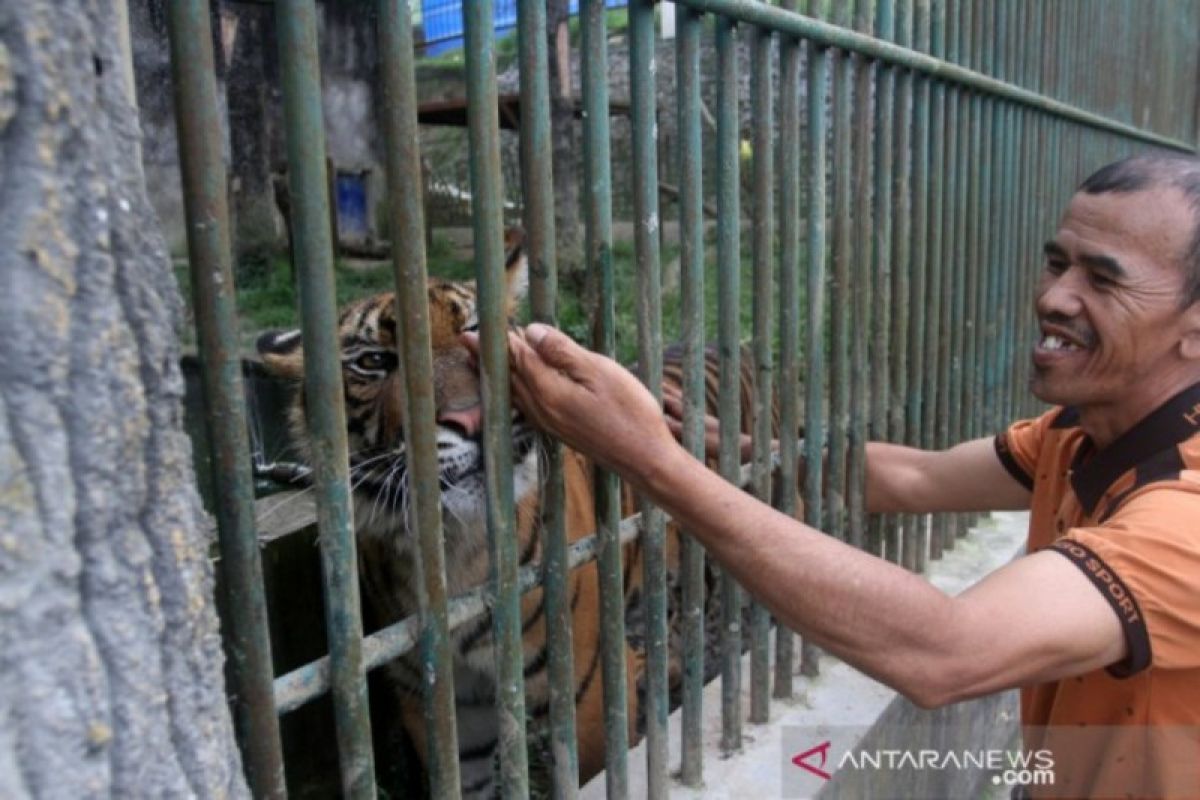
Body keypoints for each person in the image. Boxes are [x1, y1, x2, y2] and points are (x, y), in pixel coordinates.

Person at [463, 154, 1200, 797]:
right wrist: (723, 445)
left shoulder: (1184, 514)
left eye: (1104, 280)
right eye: (1058, 261)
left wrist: (648, 461)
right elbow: (910, 478)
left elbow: (946, 651)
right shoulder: (1084, 429)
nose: (1054, 297)